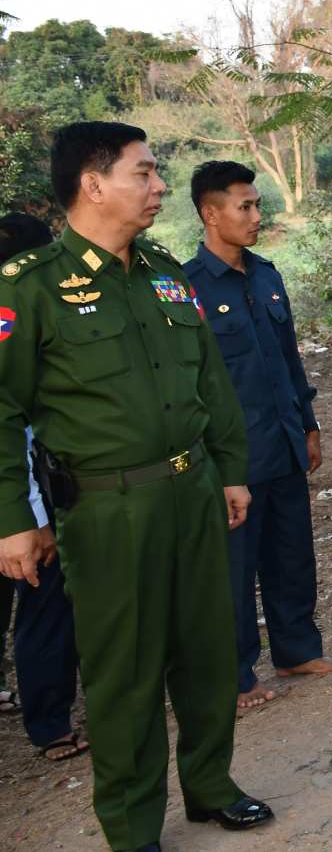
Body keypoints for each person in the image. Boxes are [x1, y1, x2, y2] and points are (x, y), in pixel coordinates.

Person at [0, 122, 273, 850]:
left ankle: (211, 785)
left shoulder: (163, 271)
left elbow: (209, 379)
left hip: (193, 490)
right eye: (144, 173)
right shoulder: (31, 286)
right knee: (126, 671)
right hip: (108, 508)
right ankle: (132, 825)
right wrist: (12, 518)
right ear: (93, 185)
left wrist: (230, 470)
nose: (159, 186)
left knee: (208, 652)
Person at [183, 162, 332, 712]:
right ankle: (234, 675)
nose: (257, 215)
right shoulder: (185, 289)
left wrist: (309, 424)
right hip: (232, 458)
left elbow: (289, 359)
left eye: (257, 205)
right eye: (245, 206)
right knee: (233, 569)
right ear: (211, 214)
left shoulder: (267, 276)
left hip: (283, 441)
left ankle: (296, 649)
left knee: (292, 553)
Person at [0, 212, 87, 764]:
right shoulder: (17, 321)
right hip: (19, 505)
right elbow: (19, 435)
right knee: (44, 607)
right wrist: (34, 520)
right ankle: (51, 724)